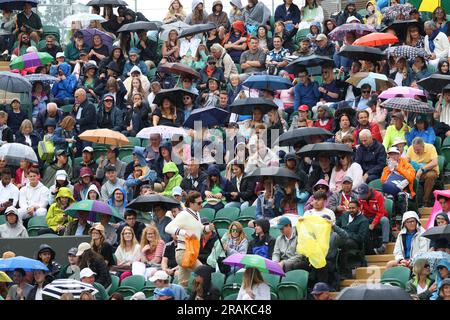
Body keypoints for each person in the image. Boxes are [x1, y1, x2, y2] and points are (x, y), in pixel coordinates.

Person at [165, 191, 215, 288]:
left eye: (202, 202)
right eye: (199, 203)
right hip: (184, 252)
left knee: (183, 284)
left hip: (191, 252)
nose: (201, 205)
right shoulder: (184, 214)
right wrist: (184, 233)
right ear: (191, 203)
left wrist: (209, 228)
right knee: (204, 273)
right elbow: (168, 228)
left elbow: (200, 229)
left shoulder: (196, 214)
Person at [333, 200, 369, 278]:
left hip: (354, 243)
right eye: (349, 208)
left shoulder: (364, 220)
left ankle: (345, 272)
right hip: (341, 238)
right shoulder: (344, 215)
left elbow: (361, 238)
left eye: (353, 208)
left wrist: (347, 234)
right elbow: (336, 225)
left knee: (345, 244)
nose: (351, 210)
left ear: (359, 208)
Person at [381, 146, 416, 218]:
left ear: (398, 155)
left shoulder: (407, 165)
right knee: (389, 197)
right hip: (391, 190)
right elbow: (383, 181)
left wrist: (397, 168)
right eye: (391, 154)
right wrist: (389, 170)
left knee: (401, 195)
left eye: (394, 154)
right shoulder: (386, 168)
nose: (392, 156)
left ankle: (404, 218)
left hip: (405, 190)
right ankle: (392, 219)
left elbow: (411, 178)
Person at [357, 183, 390, 255]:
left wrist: (373, 223)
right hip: (367, 216)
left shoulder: (378, 195)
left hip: (379, 215)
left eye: (364, 195)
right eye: (361, 195)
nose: (362, 197)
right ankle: (364, 247)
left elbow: (381, 212)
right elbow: (361, 210)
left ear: (368, 192)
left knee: (385, 220)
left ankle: (384, 245)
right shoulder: (360, 198)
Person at [407, 137, 439, 207]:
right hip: (415, 170)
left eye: (418, 150)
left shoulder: (431, 148)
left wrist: (422, 169)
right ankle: (412, 202)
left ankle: (425, 201)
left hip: (429, 170)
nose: (416, 152)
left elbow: (435, 162)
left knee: (430, 176)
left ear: (423, 146)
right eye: (414, 150)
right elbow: (407, 162)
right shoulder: (410, 149)